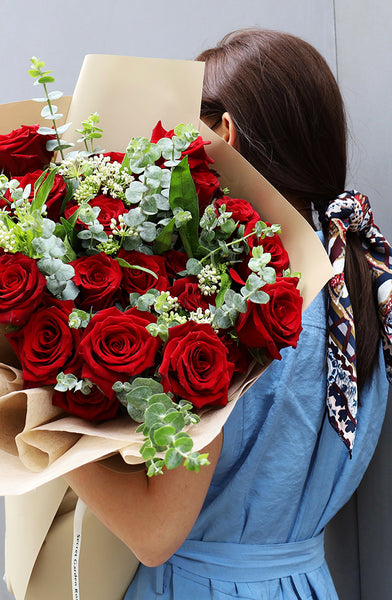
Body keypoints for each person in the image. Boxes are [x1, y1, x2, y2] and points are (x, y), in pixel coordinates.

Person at [64, 28, 392, 599]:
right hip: (307, 584)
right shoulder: (366, 283)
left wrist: (40, 436)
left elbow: (154, 533)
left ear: (225, 135)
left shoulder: (227, 298)